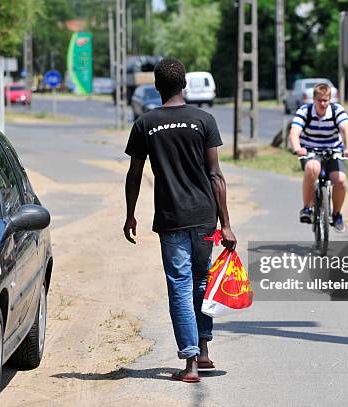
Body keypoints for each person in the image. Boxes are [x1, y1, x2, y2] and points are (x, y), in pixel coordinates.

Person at [123, 57, 236, 383]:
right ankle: (203, 352)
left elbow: (134, 174)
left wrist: (130, 214)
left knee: (179, 286)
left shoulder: (146, 123)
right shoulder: (203, 120)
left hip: (171, 218)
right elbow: (216, 175)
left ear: (157, 86)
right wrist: (225, 223)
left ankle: (189, 364)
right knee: (201, 282)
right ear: (183, 84)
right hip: (204, 217)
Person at [288, 83, 348, 232]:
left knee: (341, 180)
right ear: (314, 99)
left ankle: (336, 214)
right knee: (312, 168)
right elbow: (294, 131)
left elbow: (346, 130)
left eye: (326, 100)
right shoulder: (305, 111)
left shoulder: (337, 111)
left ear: (330, 100)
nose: (323, 104)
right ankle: (307, 208)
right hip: (310, 150)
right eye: (320, 100)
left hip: (333, 150)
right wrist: (297, 148)